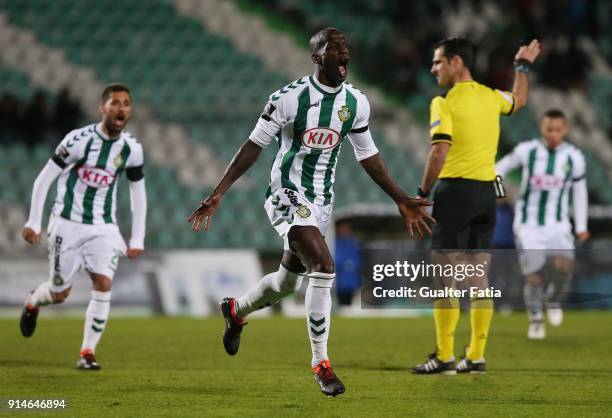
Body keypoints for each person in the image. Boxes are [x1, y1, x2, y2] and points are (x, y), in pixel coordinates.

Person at [188, 27, 435, 396]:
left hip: (321, 201)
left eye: (346, 48)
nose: (344, 55)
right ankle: (321, 364)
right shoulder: (289, 98)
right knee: (325, 266)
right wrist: (219, 192)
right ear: (318, 57)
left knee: (288, 283)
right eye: (336, 49)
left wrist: (400, 198)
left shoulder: (356, 102)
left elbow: (369, 156)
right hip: (287, 191)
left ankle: (236, 310)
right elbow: (254, 145)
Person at [412, 37, 540, 375]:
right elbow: (521, 100)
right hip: (486, 194)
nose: (433, 68)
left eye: (438, 62)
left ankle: (443, 356)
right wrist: (522, 66)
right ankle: (477, 354)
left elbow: (439, 150)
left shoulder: (444, 102)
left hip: (454, 193)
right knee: (477, 279)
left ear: (456, 61)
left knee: (444, 278)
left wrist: (422, 192)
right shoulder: (490, 96)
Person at [19, 83, 147, 370]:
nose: (122, 108)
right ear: (103, 108)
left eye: (126, 103)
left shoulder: (131, 148)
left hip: (104, 227)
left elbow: (138, 192)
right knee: (59, 293)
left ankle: (87, 352)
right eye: (115, 102)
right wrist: (33, 221)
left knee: (103, 282)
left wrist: (137, 237)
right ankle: (33, 301)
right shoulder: (77, 140)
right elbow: (44, 178)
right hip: (67, 224)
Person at [496, 109, 588, 339]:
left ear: (565, 130)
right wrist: (499, 192)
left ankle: (553, 299)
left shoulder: (574, 157)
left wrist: (581, 225)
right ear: (542, 128)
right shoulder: (527, 151)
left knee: (564, 267)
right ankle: (536, 318)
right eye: (549, 129)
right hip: (529, 225)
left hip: (558, 224)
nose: (553, 134)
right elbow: (498, 169)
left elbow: (579, 192)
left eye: (558, 129)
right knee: (534, 275)